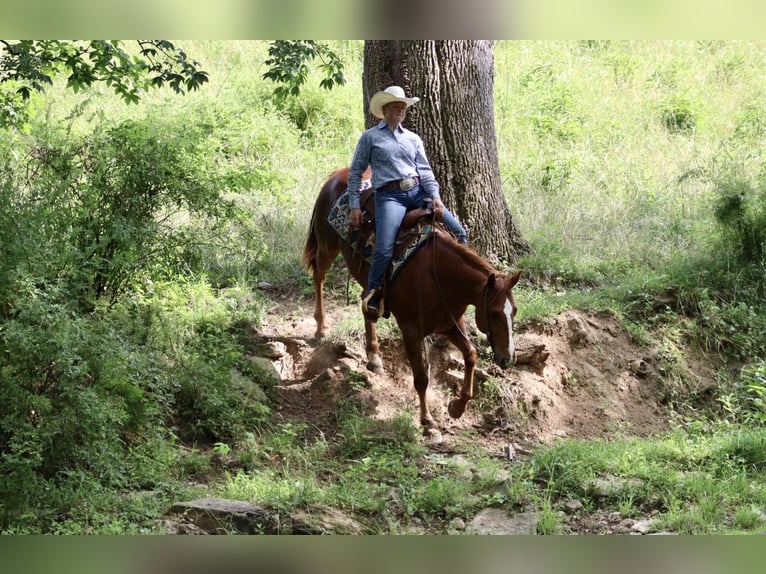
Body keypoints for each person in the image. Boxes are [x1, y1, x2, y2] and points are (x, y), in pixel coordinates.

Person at [347, 85, 468, 321]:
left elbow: (425, 171)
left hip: (417, 190)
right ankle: (373, 294)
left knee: (459, 232)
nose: (401, 109)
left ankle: (457, 284)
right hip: (389, 196)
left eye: (403, 106)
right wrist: (354, 205)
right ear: (385, 109)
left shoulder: (413, 138)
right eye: (396, 106)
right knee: (384, 247)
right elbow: (355, 172)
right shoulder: (370, 137)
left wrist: (435, 196)